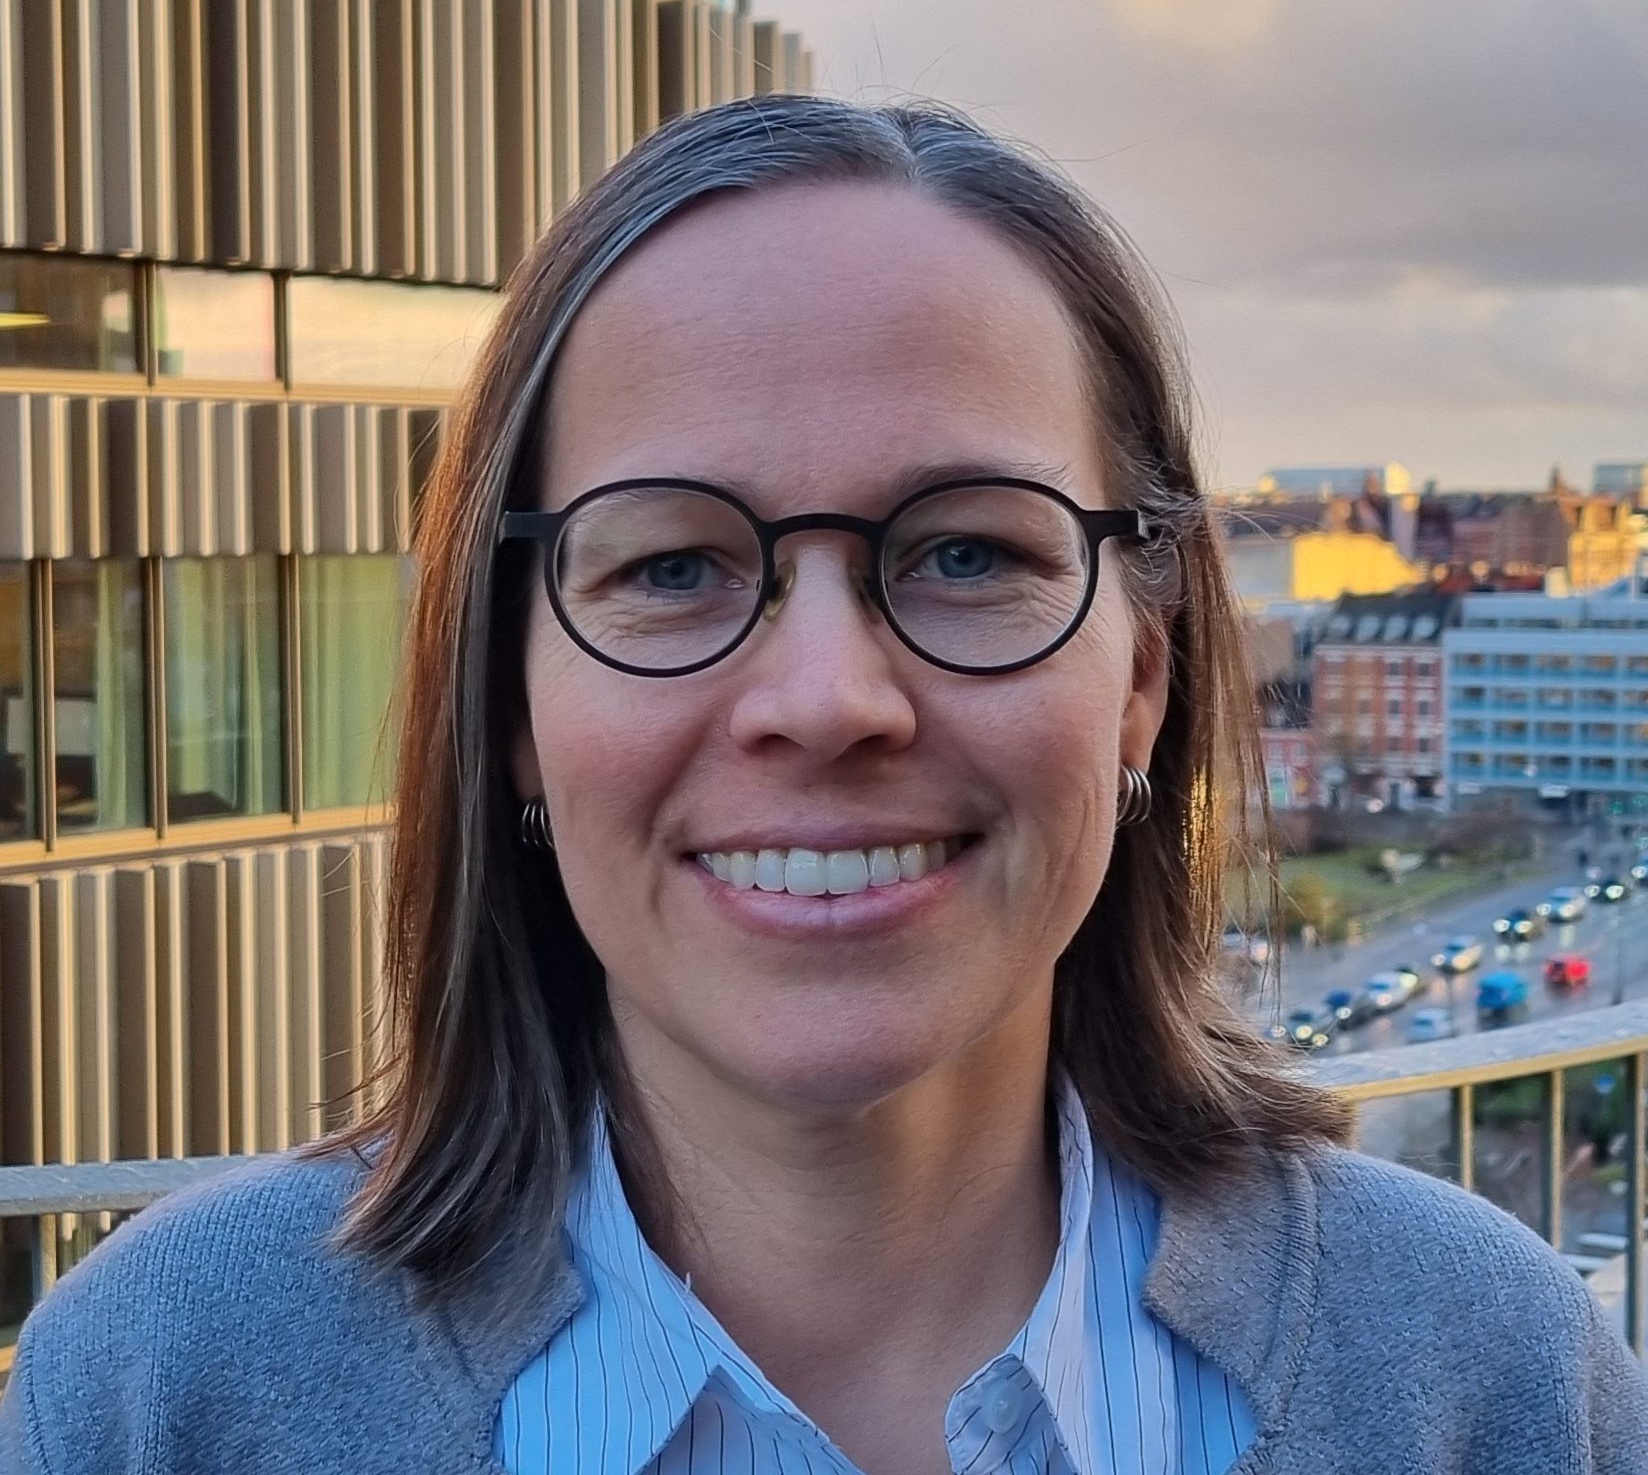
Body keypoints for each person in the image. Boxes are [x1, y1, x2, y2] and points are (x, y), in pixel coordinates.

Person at [3, 96, 1644, 1475]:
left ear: (1142, 680)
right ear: (510, 700)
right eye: (671, 568)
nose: (828, 700)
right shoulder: (162, 1396)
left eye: (964, 553)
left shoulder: (1481, 1379)